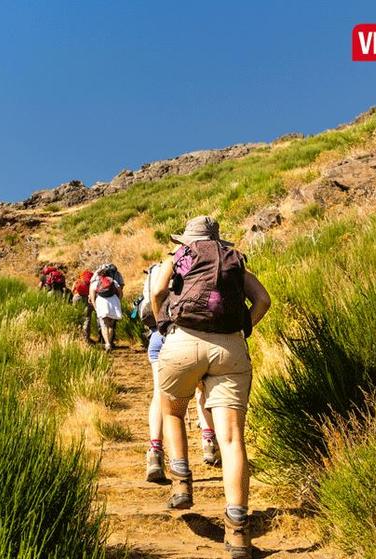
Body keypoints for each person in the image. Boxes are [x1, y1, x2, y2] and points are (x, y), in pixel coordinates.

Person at [150, 216, 270, 559]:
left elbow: (158, 291)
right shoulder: (234, 259)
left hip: (183, 341)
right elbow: (263, 300)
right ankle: (237, 531)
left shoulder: (180, 256)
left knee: (172, 411)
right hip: (229, 348)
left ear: (187, 238)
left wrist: (162, 324)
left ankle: (182, 482)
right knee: (231, 439)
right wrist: (243, 328)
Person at [144, 264, 220, 483]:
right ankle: (209, 443)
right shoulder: (213, 263)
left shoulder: (164, 266)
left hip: (162, 335)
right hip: (196, 334)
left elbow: (155, 294)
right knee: (202, 390)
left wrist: (161, 324)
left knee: (160, 395)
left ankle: (155, 454)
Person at [88, 263, 123, 352]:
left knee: (104, 325)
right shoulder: (113, 281)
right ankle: (110, 343)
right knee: (111, 325)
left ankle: (107, 343)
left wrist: (95, 306)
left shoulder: (96, 282)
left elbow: (92, 296)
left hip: (101, 303)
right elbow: (120, 292)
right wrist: (118, 301)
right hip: (113, 302)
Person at [71, 270, 96, 343]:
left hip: (77, 298)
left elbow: (72, 290)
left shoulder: (78, 281)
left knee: (77, 317)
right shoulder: (91, 282)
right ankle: (86, 338)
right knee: (87, 318)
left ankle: (76, 336)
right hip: (87, 298)